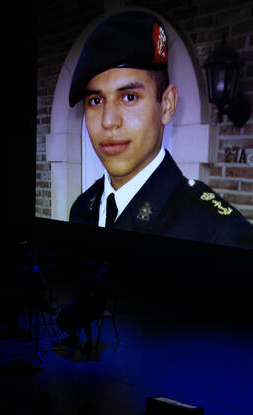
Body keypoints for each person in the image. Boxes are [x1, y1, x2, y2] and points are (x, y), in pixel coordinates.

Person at [68, 10, 253, 250]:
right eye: (95, 101)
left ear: (167, 105)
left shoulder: (219, 235)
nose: (108, 121)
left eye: (129, 97)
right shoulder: (82, 209)